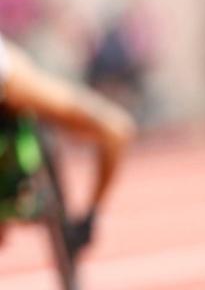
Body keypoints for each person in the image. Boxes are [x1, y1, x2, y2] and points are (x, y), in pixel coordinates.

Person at [0, 33, 136, 251]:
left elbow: (116, 129)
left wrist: (91, 215)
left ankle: (88, 220)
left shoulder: (14, 81)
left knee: (114, 128)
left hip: (13, 87)